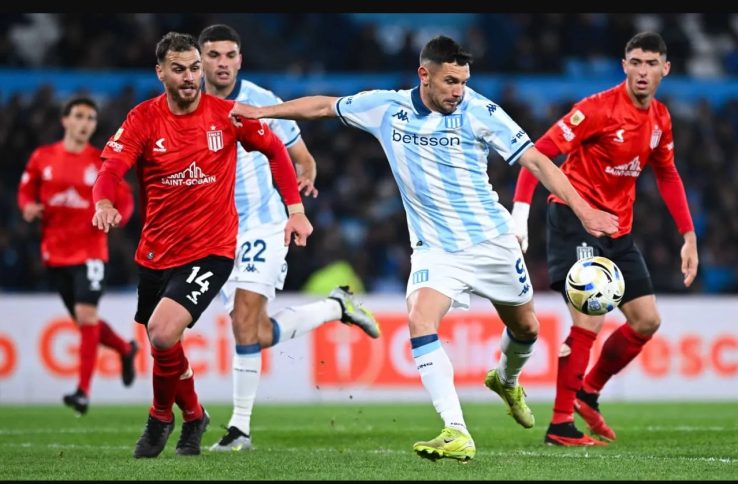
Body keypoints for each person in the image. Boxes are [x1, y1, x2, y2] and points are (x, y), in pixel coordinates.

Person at [229, 35, 619, 461]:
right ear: (424, 75)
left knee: (526, 328)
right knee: (419, 317)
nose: (459, 91)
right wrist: (262, 112)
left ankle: (506, 380)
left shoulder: (481, 111)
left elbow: (538, 161)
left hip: (491, 241)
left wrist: (584, 211)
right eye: (450, 81)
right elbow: (324, 104)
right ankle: (455, 429)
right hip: (435, 250)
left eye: (464, 81)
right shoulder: (387, 108)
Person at [91, 31, 313, 459]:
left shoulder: (228, 115)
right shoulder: (143, 119)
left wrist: (295, 209)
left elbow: (276, 151)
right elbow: (111, 167)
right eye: (179, 69)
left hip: (212, 249)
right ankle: (194, 415)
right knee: (164, 344)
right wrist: (102, 200)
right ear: (160, 72)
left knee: (161, 331)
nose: (190, 77)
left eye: (195, 68)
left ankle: (160, 418)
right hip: (156, 251)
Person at [198, 24, 380, 452]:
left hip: (264, 225)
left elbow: (301, 156)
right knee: (256, 332)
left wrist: (306, 175)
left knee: (244, 321)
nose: (222, 63)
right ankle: (336, 305)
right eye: (214, 55)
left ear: (240, 59)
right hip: (213, 233)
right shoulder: (189, 106)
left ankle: (239, 429)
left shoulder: (263, 101)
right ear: (200, 60)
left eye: (230, 55)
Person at [511, 31, 698, 446]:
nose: (643, 72)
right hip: (574, 219)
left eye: (652, 64)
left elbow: (667, 174)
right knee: (591, 311)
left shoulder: (661, 119)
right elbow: (536, 155)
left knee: (647, 320)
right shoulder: (597, 109)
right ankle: (560, 425)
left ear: (665, 68)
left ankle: (588, 393)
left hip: (617, 228)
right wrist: (520, 215)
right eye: (636, 62)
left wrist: (689, 235)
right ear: (624, 65)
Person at [17, 96, 139, 417]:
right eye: (80, 116)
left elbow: (124, 199)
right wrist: (27, 207)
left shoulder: (100, 162)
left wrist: (117, 216)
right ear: (65, 120)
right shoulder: (42, 158)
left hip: (90, 251)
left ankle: (83, 392)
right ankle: (126, 350)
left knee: (86, 316)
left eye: (91, 119)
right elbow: (26, 190)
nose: (85, 123)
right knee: (86, 322)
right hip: (55, 252)